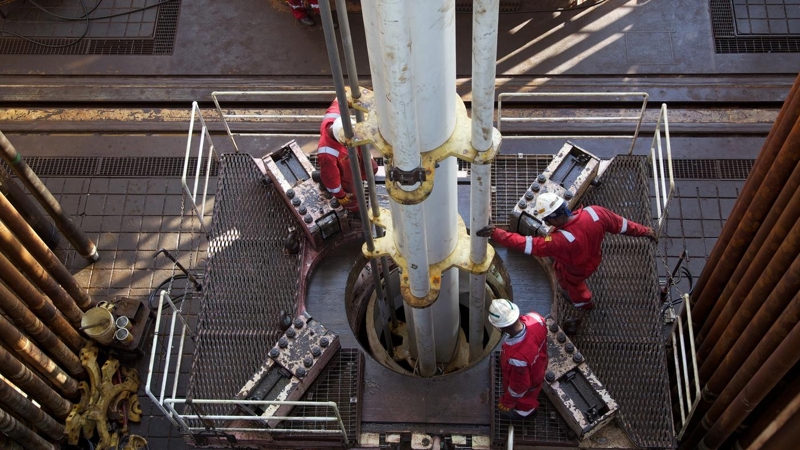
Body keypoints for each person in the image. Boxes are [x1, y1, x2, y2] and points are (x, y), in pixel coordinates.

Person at [477, 192, 656, 334]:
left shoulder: (557, 241)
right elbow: (623, 225)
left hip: (575, 270)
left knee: (574, 288)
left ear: (553, 218)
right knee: (564, 272)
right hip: (593, 257)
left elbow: (528, 244)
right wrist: (646, 231)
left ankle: (585, 305)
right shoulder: (596, 212)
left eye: (547, 220)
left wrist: (496, 233)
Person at [488, 299, 548, 421]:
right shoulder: (535, 318)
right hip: (539, 364)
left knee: (525, 400)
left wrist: (507, 402)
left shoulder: (517, 359)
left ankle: (526, 412)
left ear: (499, 327)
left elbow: (519, 387)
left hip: (530, 380)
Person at [317, 99, 377, 214]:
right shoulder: (327, 154)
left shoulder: (336, 118)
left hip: (356, 157)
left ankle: (363, 176)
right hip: (346, 174)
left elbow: (339, 100)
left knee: (371, 168)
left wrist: (345, 96)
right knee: (352, 195)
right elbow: (331, 179)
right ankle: (355, 211)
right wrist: (341, 196)